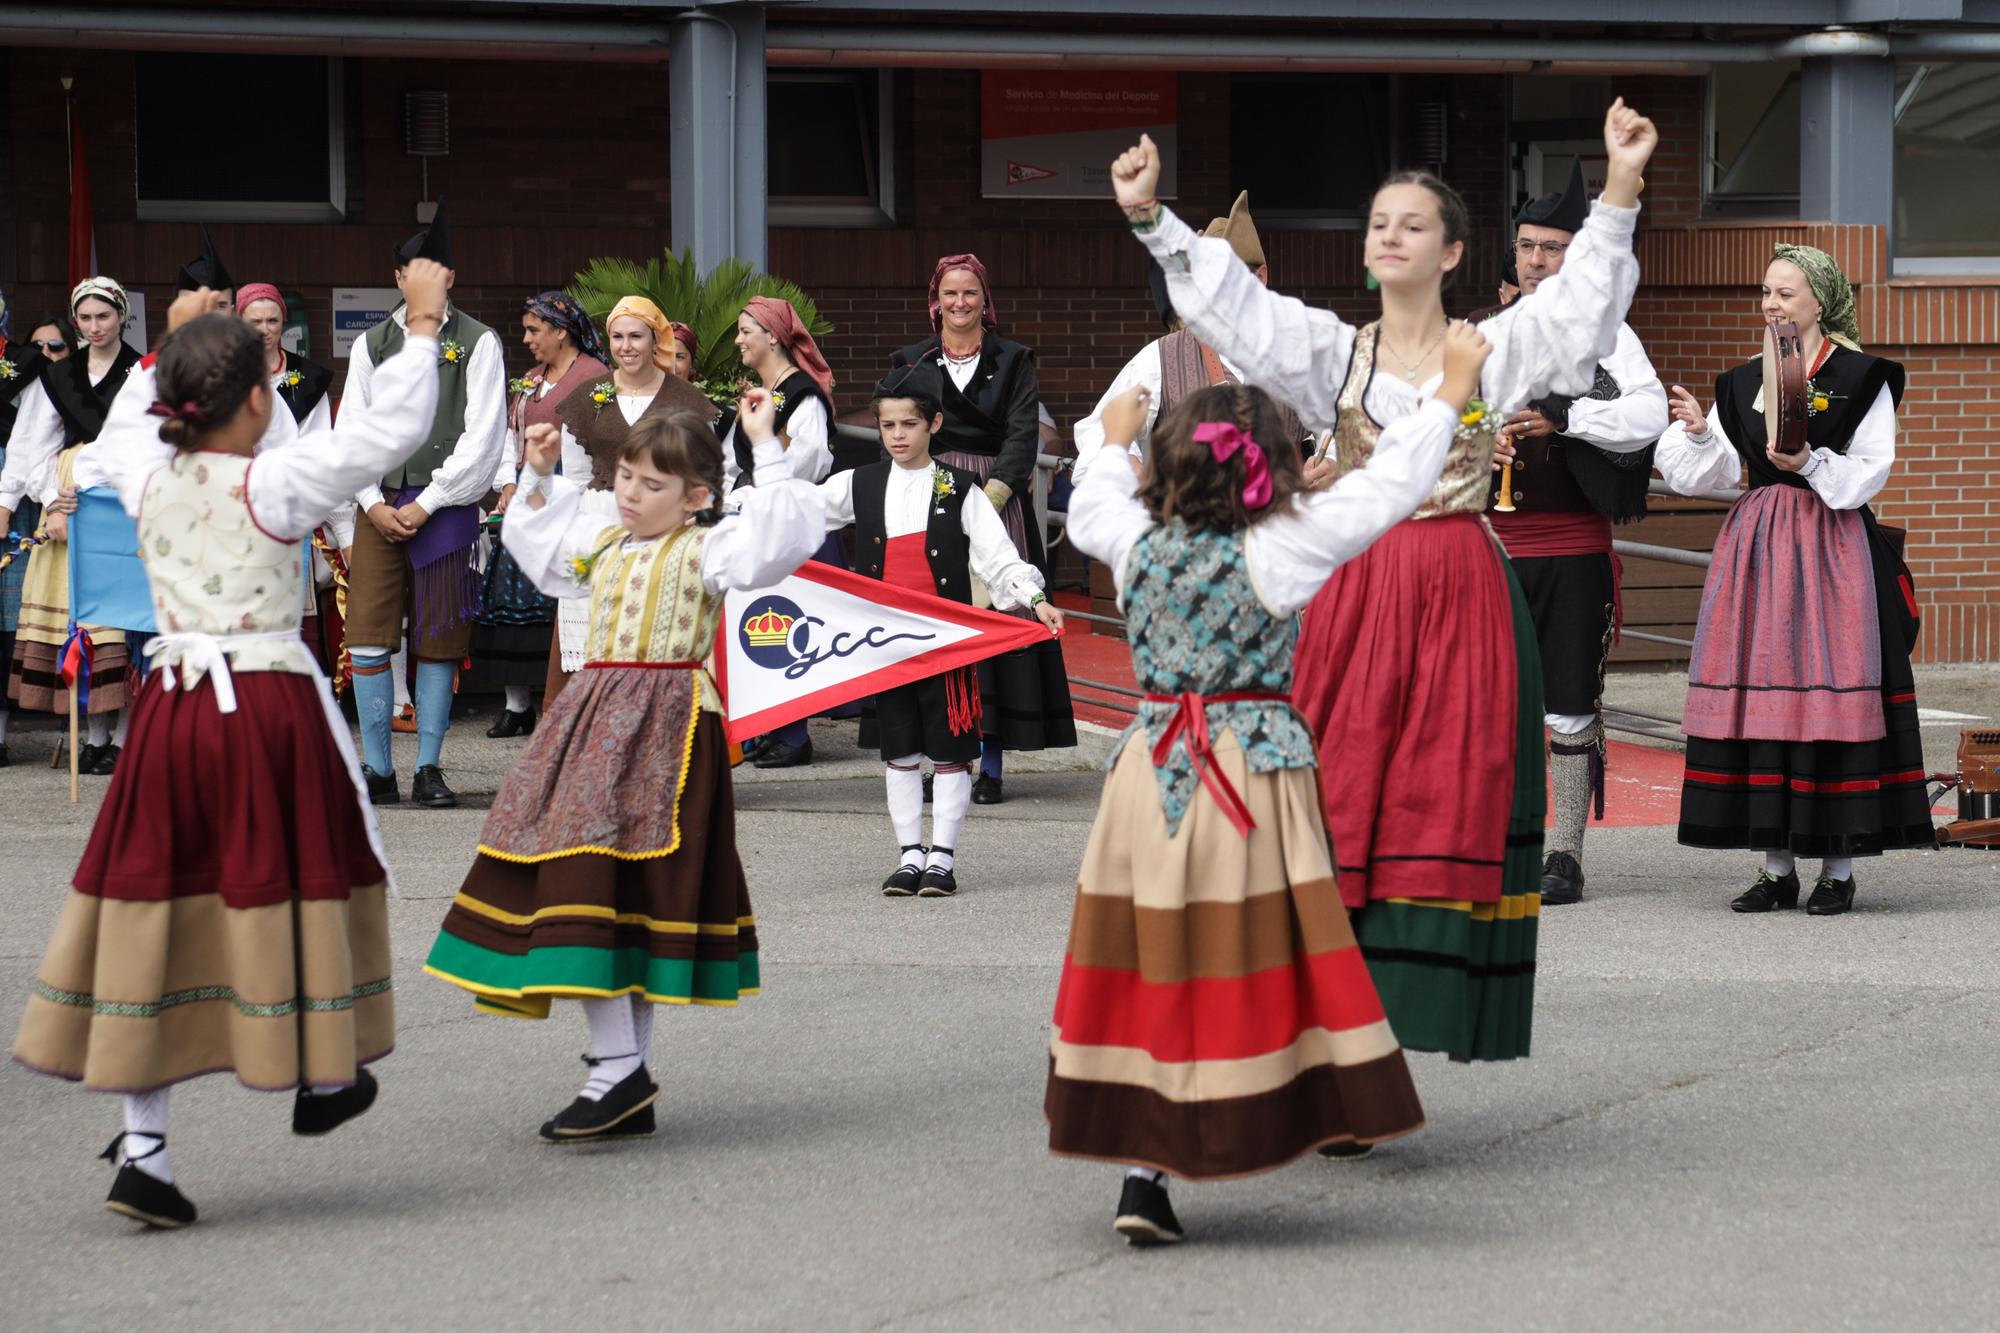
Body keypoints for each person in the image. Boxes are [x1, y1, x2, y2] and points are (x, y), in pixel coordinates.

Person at [1111, 99, 1656, 1066]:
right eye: (1377, 223)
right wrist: (1154, 218)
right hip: (1359, 586)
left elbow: (1583, 309)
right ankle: (1322, 1015)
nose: (1389, 235)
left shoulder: (1496, 347)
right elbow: (1240, 307)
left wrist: (1618, 186)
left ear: (1451, 252)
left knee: (1443, 794)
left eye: (1412, 223)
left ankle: (1399, 1019)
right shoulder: (1337, 350)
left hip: (1460, 585)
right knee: (1340, 782)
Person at [11, 263, 449, 1229]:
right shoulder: (277, 480)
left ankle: (145, 1145)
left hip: (170, 708)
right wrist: (422, 320)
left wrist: (169, 337)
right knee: (294, 875)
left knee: (155, 896)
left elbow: (128, 421)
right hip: (261, 706)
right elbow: (390, 433)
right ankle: (317, 1070)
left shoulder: (142, 467)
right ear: (257, 401)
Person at [1047, 329, 1484, 1242]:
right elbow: (1393, 486)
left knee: (1154, 953)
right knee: (1264, 948)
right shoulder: (1284, 550)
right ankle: (1287, 1106)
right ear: (1271, 475)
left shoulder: (1133, 541)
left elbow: (1093, 494)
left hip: (1152, 766)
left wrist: (1114, 439)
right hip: (1252, 769)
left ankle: (1144, 1170)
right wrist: (1450, 391)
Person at [422, 397, 826, 1142]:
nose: (633, 495)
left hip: (670, 726)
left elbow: (783, 538)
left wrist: (766, 446)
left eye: (652, 485)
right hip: (593, 718)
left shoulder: (710, 548)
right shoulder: (602, 540)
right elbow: (537, 544)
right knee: (594, 884)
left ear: (698, 497)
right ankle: (621, 1072)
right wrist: (538, 471)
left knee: (622, 885)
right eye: (628, 479)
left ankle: (618, 1071)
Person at [1657, 244, 1930, 915]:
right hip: (1759, 550)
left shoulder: (1863, 377)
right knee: (1765, 699)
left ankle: (1837, 868)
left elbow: (1870, 470)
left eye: (1785, 292)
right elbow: (1711, 473)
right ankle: (1776, 866)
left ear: (1820, 301)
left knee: (1831, 694)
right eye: (1767, 291)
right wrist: (1698, 435)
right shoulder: (1743, 378)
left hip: (1832, 545)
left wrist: (1810, 462)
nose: (1771, 303)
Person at [1481, 161, 1670, 906]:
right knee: (1490, 702)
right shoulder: (1484, 333)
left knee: (1568, 702)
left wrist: (1568, 418)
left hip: (1573, 546)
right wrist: (1471, 444)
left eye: (1552, 248)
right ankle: (1500, 842)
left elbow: (1648, 414)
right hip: (1491, 548)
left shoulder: (1608, 337)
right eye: (1527, 246)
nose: (1535, 261)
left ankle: (1564, 854)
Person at [817, 362, 1063, 898]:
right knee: (899, 752)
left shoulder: (962, 488)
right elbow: (797, 514)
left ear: (933, 423)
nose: (898, 435)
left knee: (952, 753)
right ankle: (909, 855)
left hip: (945, 643)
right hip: (886, 645)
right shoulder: (859, 483)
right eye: (888, 426)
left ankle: (943, 859)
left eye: (909, 424)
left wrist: (1035, 598)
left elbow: (999, 561)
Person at [339, 199, 506, 809]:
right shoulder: (373, 344)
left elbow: (484, 437)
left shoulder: (479, 342)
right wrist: (370, 500)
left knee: (440, 639)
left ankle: (429, 767)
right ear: (399, 279)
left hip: (446, 505)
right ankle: (377, 768)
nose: (426, 282)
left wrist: (430, 501)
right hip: (378, 503)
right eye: (415, 272)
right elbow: (350, 428)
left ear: (451, 279)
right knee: (367, 637)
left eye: (437, 272)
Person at [889, 255, 1075, 802]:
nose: (960, 303)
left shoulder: (1013, 359)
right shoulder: (910, 359)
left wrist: (989, 497)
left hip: (998, 495)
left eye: (970, 293)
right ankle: (940, 758)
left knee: (996, 620)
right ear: (936, 299)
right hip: (932, 492)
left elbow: (1022, 435)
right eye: (950, 294)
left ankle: (990, 765)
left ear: (984, 299)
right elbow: (899, 431)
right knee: (937, 622)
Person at [541, 294, 716, 711]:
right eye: (617, 337)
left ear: (656, 340)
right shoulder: (587, 398)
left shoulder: (687, 400)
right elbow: (577, 476)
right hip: (602, 523)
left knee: (659, 629)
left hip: (669, 526)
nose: (626, 346)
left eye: (636, 336)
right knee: (599, 635)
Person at [0, 279, 143, 773]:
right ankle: (96, 736)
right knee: (82, 616)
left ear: (122, 316)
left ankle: (124, 739)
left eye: (104, 316)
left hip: (127, 501)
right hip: (73, 503)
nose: (94, 327)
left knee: (122, 621)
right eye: (84, 318)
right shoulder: (59, 375)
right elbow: (31, 442)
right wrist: (49, 501)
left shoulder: (143, 370)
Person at [1073, 194, 1310, 474]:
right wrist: (1129, 467)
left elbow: (1350, 424)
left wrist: (1332, 461)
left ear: (1260, 277)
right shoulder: (1160, 357)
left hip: (1283, 515)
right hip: (1193, 517)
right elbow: (1099, 431)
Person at [471, 291, 609, 736]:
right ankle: (517, 705)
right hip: (529, 493)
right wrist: (509, 485)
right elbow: (509, 439)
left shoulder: (595, 376)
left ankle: (562, 699)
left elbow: (602, 445)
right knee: (514, 596)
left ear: (560, 331)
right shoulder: (531, 379)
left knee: (559, 602)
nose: (526, 338)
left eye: (534, 329)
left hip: (572, 494)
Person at [722, 295, 836, 770]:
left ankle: (794, 734)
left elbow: (810, 461)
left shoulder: (802, 395)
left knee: (784, 625)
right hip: (753, 521)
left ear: (772, 336)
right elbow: (734, 459)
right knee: (759, 626)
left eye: (746, 330)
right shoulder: (762, 392)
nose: (738, 340)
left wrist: (751, 497)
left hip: (786, 527)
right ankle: (770, 727)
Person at [238, 282, 332, 435]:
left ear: (283, 321)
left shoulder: (310, 377)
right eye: (255, 322)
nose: (264, 330)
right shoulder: (224, 373)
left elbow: (317, 440)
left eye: (272, 320)